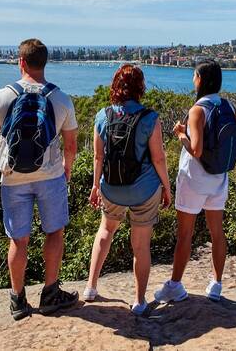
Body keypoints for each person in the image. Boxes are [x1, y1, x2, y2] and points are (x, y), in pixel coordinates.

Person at [0, 38, 79, 320]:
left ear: (20, 62)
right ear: (45, 63)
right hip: (50, 177)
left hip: (12, 178)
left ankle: (18, 300)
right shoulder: (61, 98)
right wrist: (66, 168)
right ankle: (50, 293)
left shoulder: (1, 96)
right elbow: (70, 145)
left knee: (18, 240)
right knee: (54, 232)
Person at [154, 59, 236, 304]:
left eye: (194, 75)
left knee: (185, 234)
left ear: (200, 79)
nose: (193, 79)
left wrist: (181, 134)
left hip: (194, 180)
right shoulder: (228, 105)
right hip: (218, 178)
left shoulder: (198, 109)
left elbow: (195, 150)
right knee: (217, 232)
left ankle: (175, 285)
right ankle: (216, 284)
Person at [84, 64, 171, 315]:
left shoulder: (103, 115)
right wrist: (166, 187)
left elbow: (98, 157)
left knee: (105, 231)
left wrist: (94, 186)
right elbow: (159, 159)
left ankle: (90, 287)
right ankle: (139, 301)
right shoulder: (150, 118)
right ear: (140, 87)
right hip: (143, 190)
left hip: (111, 187)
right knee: (141, 245)